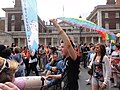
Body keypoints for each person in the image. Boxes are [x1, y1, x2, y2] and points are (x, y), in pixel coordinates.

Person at [46, 19, 80, 90]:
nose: (60, 49)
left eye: (62, 47)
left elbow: (68, 45)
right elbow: (64, 75)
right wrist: (53, 76)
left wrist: (57, 25)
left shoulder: (73, 58)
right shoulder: (65, 59)